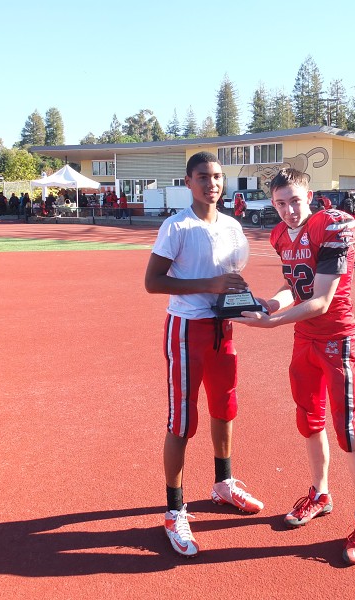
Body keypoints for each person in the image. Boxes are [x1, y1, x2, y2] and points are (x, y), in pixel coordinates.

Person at [236, 168, 355, 566]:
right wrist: (272, 303)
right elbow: (293, 286)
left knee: (348, 430)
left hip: (336, 339)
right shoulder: (280, 235)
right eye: (280, 203)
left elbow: (321, 301)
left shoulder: (330, 226)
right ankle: (320, 493)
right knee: (309, 420)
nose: (289, 210)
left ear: (310, 196)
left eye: (295, 201)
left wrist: (270, 323)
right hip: (305, 340)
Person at [144, 151, 264, 558]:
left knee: (225, 407)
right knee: (182, 420)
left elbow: (233, 277)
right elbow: (153, 282)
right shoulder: (176, 226)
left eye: (216, 177)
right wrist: (209, 284)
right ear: (188, 182)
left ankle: (223, 483)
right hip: (186, 330)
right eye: (202, 177)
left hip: (222, 328)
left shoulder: (232, 226)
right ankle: (174, 510)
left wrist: (245, 299)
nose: (211, 183)